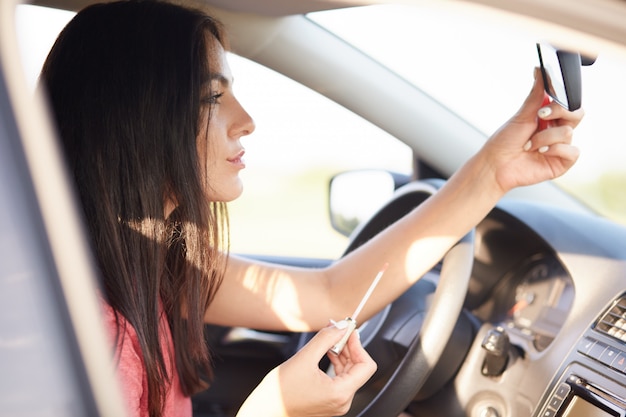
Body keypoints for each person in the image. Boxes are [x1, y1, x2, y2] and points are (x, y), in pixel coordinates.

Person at [39, 1, 583, 416]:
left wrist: (494, 172)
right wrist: (274, 408)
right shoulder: (69, 325)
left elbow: (326, 295)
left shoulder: (156, 259)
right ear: (135, 120)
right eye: (212, 97)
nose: (246, 118)